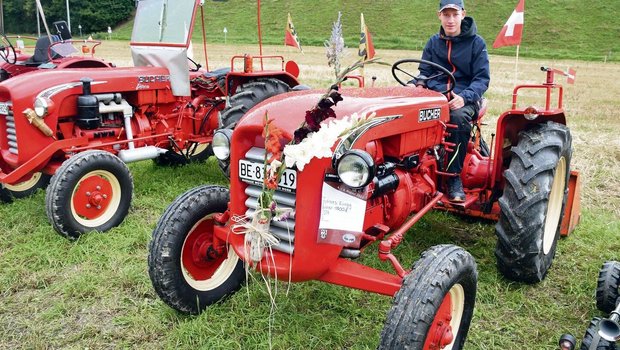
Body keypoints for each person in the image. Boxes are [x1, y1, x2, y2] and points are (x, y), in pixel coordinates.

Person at [418, 0, 490, 202]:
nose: (450, 20)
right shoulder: (433, 42)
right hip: (438, 95)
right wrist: (418, 85)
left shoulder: (477, 43)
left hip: (465, 97)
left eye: (454, 14)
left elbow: (482, 79)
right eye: (446, 14)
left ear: (463, 15)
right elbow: (424, 72)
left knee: (457, 118)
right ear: (439, 16)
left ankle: (453, 177)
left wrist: (464, 97)